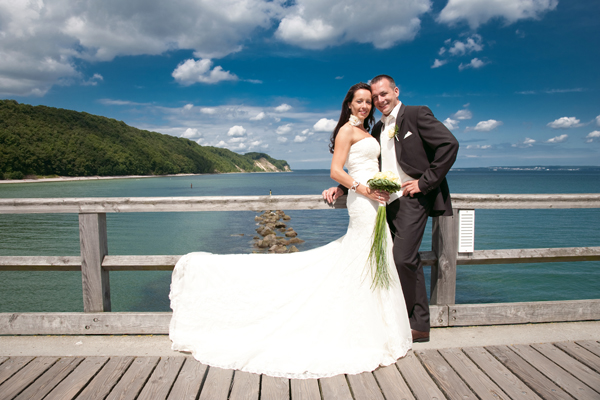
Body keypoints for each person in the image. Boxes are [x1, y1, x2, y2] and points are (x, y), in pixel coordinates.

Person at [169, 82, 412, 379]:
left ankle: (378, 328)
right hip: (364, 203)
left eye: (368, 102)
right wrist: (361, 189)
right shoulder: (346, 131)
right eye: (359, 101)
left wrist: (370, 187)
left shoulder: (368, 132)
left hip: (376, 202)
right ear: (349, 104)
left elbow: (367, 166)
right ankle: (360, 330)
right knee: (362, 258)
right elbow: (337, 170)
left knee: (372, 261)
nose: (364, 106)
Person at [323, 75, 459, 343]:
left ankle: (417, 325)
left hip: (413, 199)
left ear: (396, 91)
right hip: (385, 203)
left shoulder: (417, 114)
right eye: (374, 98)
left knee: (402, 258)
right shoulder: (374, 130)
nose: (378, 100)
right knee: (393, 258)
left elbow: (449, 145)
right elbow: (361, 165)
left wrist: (424, 183)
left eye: (383, 94)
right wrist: (342, 188)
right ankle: (399, 319)